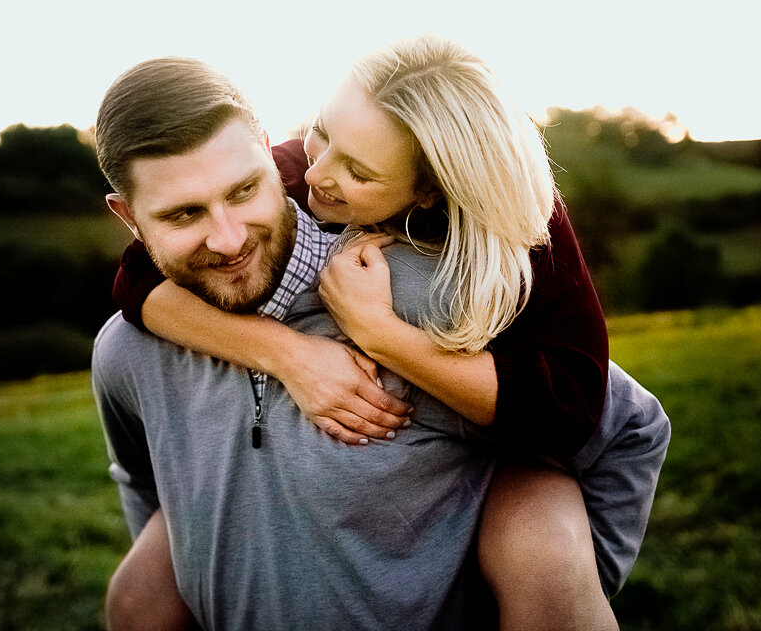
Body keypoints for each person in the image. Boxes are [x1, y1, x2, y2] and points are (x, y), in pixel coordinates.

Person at [108, 36, 670, 630]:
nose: (316, 175)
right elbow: (137, 278)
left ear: (428, 187)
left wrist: (563, 592)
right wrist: (288, 353)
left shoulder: (513, 251)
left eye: (358, 171)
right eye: (320, 132)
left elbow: (586, 413)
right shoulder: (299, 166)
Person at [92, 56, 501, 630]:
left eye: (243, 190)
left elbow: (623, 436)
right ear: (129, 218)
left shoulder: (416, 300)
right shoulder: (123, 355)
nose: (229, 239)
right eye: (184, 214)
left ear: (270, 153)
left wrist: (546, 593)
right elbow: (146, 485)